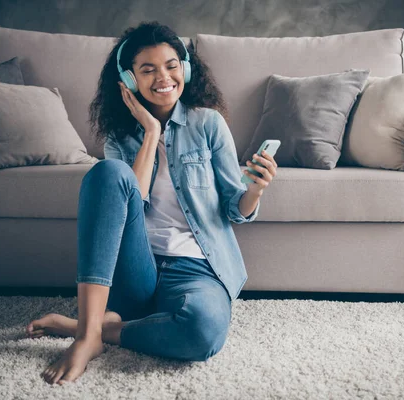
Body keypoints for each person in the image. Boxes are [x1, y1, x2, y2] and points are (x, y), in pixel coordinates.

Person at [24, 21, 278, 385]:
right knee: (109, 172)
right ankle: (86, 338)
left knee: (202, 332)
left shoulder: (208, 124)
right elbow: (130, 204)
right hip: (136, 268)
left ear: (186, 69)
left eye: (172, 65)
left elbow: (234, 209)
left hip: (197, 268)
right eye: (148, 69)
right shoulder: (119, 136)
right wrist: (152, 134)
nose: (164, 77)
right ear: (129, 80)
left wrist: (256, 188)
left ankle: (97, 328)